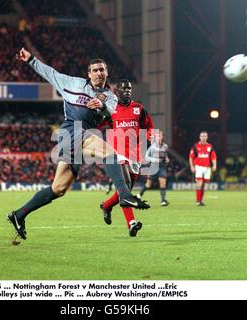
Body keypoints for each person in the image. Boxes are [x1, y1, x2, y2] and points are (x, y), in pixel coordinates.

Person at [8, 48, 149, 241]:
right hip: (72, 130)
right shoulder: (72, 83)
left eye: (103, 70)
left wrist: (102, 106)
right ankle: (124, 194)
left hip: (81, 135)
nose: (99, 73)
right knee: (110, 152)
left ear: (107, 74)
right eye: (96, 70)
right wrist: (31, 59)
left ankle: (19, 214)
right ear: (88, 74)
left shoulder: (111, 96)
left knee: (58, 189)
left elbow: (111, 112)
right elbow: (49, 73)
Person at [99, 79, 154, 236]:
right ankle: (131, 223)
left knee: (126, 191)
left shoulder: (138, 108)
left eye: (129, 88)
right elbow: (98, 123)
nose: (127, 90)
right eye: (124, 88)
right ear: (118, 91)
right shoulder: (111, 109)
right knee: (126, 189)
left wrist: (149, 135)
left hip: (135, 153)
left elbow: (148, 126)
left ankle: (106, 206)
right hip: (117, 152)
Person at [138, 131, 170, 206]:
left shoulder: (165, 146)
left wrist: (167, 159)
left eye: (160, 135)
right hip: (153, 166)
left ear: (162, 137)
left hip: (162, 166)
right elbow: (146, 157)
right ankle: (139, 195)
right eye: (157, 135)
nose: (159, 137)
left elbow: (166, 156)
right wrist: (154, 160)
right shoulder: (152, 147)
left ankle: (163, 201)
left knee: (163, 183)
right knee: (148, 184)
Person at [189, 131, 217, 206]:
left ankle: (200, 200)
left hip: (207, 168)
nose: (203, 137)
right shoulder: (195, 146)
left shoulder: (210, 146)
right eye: (202, 136)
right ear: (199, 137)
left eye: (205, 136)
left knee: (204, 185)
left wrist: (214, 165)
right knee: (199, 183)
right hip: (198, 167)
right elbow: (191, 157)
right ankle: (198, 201)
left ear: (207, 137)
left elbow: (213, 157)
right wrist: (192, 166)